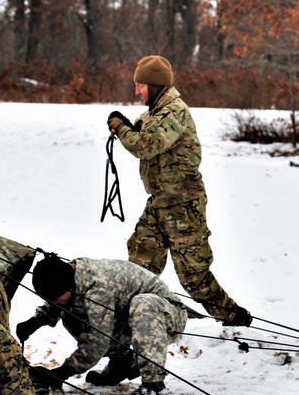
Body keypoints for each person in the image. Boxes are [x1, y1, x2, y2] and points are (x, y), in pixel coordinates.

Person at [106, 55, 252, 327]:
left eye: (140, 85)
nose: (136, 91)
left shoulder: (175, 112)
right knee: (139, 265)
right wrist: (127, 126)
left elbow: (144, 146)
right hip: (160, 203)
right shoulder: (154, 112)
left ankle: (234, 319)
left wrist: (120, 128)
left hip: (183, 206)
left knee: (193, 277)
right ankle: (135, 325)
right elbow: (141, 132)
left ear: (155, 84)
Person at [15, 254, 188, 395]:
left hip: (167, 317)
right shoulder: (70, 277)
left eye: (54, 298)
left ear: (68, 286)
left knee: (143, 303)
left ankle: (154, 388)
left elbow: (98, 340)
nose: (52, 303)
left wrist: (63, 372)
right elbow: (59, 301)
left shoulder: (97, 288)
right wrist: (35, 322)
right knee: (71, 314)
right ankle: (121, 363)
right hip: (131, 319)